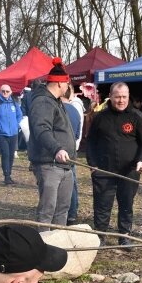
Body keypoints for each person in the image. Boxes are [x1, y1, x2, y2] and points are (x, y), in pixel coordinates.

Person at [86, 82, 142, 248]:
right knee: (101, 205)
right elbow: (91, 142)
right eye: (117, 97)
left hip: (129, 171)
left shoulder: (138, 117)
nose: (121, 100)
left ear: (128, 97)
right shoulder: (100, 117)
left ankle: (124, 235)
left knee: (126, 204)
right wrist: (92, 164)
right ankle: (101, 236)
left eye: (124, 97)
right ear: (111, 96)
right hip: (103, 170)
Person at [28, 58, 76, 231]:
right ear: (59, 83)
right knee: (47, 210)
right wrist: (57, 148)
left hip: (65, 165)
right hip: (50, 164)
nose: (68, 88)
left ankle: (57, 245)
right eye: (67, 84)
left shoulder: (56, 101)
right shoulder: (42, 102)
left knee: (62, 209)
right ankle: (42, 246)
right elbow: (41, 129)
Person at [0, 84, 23, 184]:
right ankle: (6, 176)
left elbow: (19, 114)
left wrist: (16, 125)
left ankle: (9, 174)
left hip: (13, 133)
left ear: (10, 92)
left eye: (7, 91)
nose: (5, 93)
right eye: (3, 91)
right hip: (1, 134)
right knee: (6, 154)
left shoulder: (14, 102)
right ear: (0, 91)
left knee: (11, 155)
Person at [62, 86, 83, 225]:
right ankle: (72, 213)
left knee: (59, 185)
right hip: (72, 150)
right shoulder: (75, 110)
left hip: (58, 153)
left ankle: (63, 214)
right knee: (72, 182)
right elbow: (77, 134)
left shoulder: (58, 109)